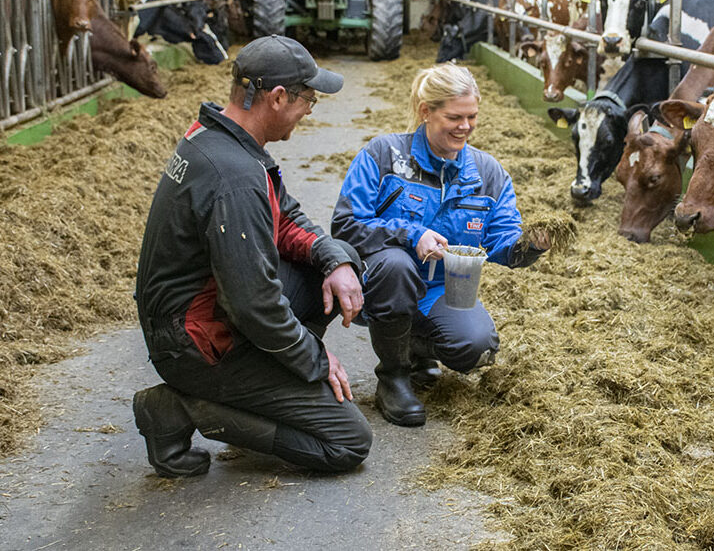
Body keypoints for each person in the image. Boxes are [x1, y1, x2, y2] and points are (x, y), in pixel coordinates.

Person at [132, 35, 372, 478]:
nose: (307, 113)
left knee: (338, 263)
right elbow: (253, 303)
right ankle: (182, 408)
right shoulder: (235, 175)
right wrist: (313, 359)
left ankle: (265, 381)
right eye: (309, 101)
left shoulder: (223, 138)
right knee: (347, 442)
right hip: (197, 348)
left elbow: (283, 218)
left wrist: (332, 258)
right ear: (278, 98)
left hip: (195, 322)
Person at [332, 63, 550, 427]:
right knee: (396, 264)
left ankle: (413, 347)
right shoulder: (384, 155)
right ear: (426, 112)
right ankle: (394, 376)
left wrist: (530, 246)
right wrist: (412, 236)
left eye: (472, 116)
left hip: (441, 289)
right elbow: (346, 223)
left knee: (478, 346)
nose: (465, 126)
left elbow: (501, 240)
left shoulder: (488, 173)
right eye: (454, 117)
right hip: (383, 284)